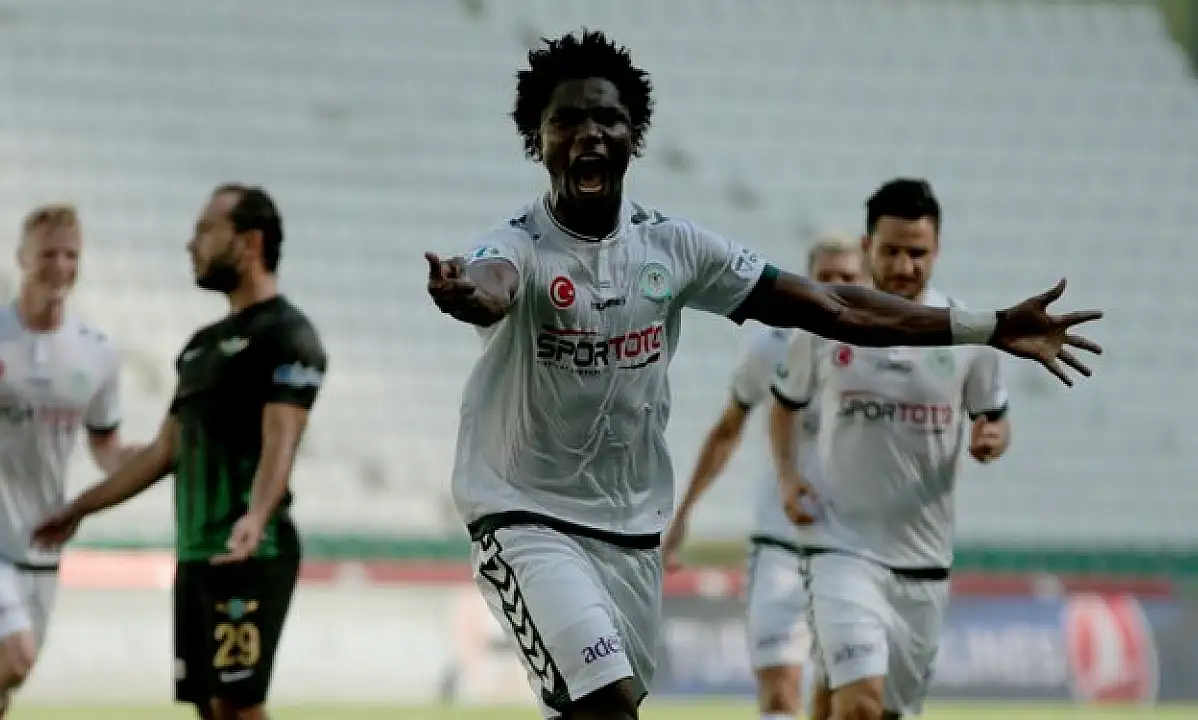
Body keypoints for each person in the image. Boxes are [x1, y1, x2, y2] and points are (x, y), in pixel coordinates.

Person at [422, 30, 1100, 720]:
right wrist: (465, 291)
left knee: (595, 707)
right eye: (567, 120)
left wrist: (988, 326)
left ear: (635, 136)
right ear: (537, 140)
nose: (590, 134)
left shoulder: (675, 247)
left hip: (631, 532)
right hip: (525, 516)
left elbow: (835, 305)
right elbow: (492, 283)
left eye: (608, 119)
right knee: (606, 705)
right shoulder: (517, 245)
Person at [33, 184, 327, 720]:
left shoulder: (288, 336)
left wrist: (256, 517)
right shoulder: (200, 348)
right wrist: (79, 507)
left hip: (250, 553)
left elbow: (281, 438)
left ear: (249, 242)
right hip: (195, 555)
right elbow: (162, 453)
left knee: (237, 708)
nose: (191, 245)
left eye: (205, 231)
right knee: (211, 710)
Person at [771, 179, 1013, 720]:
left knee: (886, 712)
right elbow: (784, 404)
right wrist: (788, 477)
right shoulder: (824, 325)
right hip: (840, 547)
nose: (905, 266)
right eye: (892, 251)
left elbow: (994, 416)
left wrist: (992, 438)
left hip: (922, 559)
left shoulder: (966, 335)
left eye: (918, 253)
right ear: (867, 247)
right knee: (860, 704)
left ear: (937, 250)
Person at [0, 205, 139, 720]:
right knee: (13, 655)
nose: (60, 266)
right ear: (21, 258)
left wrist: (163, 458)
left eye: (71, 255)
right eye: (48, 254)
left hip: (39, 537)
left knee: (5, 679)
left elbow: (107, 447)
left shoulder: (97, 353)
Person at [661, 236, 865, 720]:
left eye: (848, 277)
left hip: (853, 550)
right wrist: (684, 515)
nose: (837, 285)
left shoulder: (883, 354)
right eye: (827, 276)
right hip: (779, 542)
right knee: (779, 694)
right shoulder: (769, 345)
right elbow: (726, 431)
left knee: (838, 699)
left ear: (865, 280)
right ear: (810, 277)